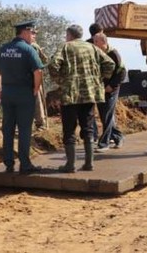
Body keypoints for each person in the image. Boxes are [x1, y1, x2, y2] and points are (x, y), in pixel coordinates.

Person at [48, 24, 115, 173]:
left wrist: (60, 81)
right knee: (88, 128)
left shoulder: (65, 47)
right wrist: (99, 79)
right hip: (89, 95)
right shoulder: (92, 47)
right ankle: (89, 163)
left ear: (69, 35)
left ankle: (70, 165)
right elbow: (110, 63)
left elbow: (53, 65)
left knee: (69, 129)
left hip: (70, 95)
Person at [0, 20, 44, 174]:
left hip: (7, 93)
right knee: (24, 129)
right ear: (25, 32)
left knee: (8, 128)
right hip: (24, 94)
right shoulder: (28, 50)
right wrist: (36, 88)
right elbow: (38, 72)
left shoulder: (2, 49)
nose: (34, 36)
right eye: (33, 33)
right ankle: (25, 164)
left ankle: (8, 164)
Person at [92, 32, 126, 152]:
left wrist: (112, 86)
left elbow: (122, 72)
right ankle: (118, 136)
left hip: (111, 90)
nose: (94, 43)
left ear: (103, 42)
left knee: (107, 114)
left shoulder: (114, 54)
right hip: (100, 89)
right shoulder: (97, 53)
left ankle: (104, 143)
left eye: (96, 41)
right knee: (104, 115)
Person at [30, 39, 49, 131]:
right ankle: (41, 124)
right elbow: (45, 59)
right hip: (34, 76)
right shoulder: (34, 46)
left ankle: (38, 123)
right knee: (37, 100)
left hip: (26, 77)